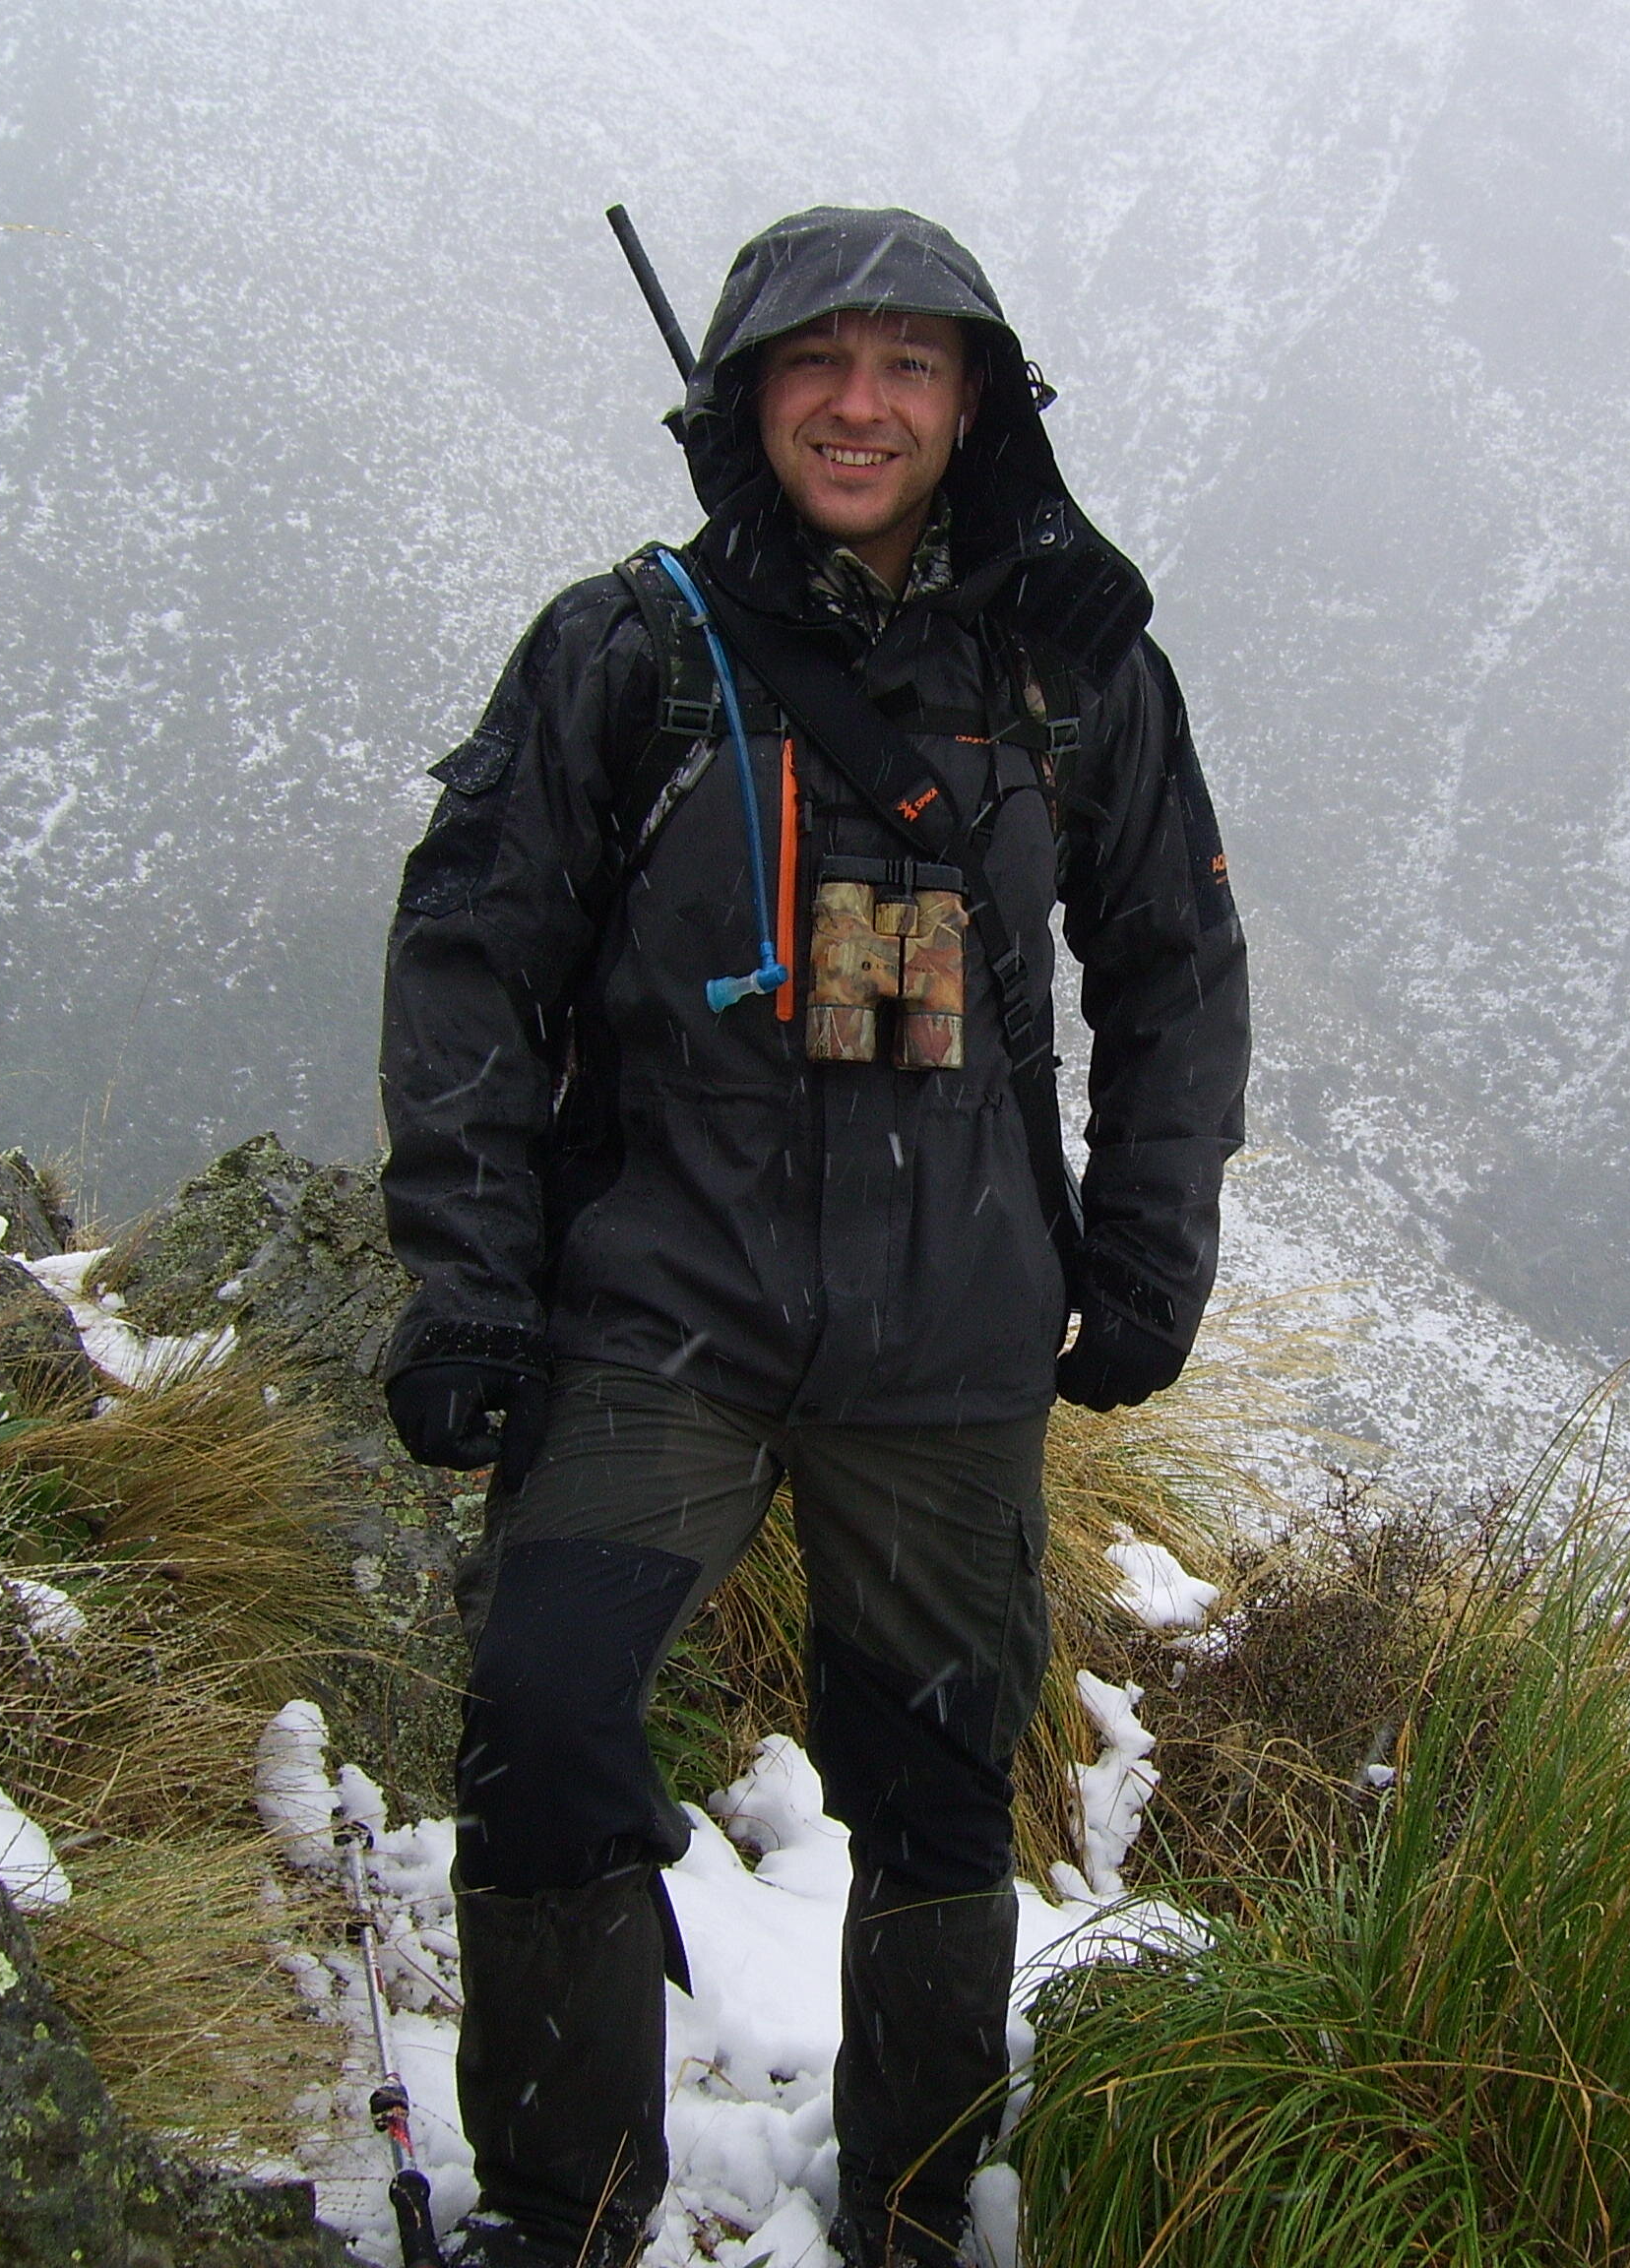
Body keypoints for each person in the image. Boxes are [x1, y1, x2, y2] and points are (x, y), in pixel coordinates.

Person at [377, 206, 1249, 2268]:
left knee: (941, 1786)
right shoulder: (630, 649)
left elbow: (1176, 964)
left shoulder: (1073, 665)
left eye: (910, 367)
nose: (860, 406)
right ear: (747, 392)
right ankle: (561, 2217)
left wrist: (1145, 1257)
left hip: (949, 1336)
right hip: (658, 1305)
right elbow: (470, 963)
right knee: (547, 1722)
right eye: (815, 362)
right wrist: (470, 1275)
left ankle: (925, 2214)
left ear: (975, 407)